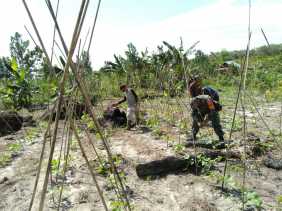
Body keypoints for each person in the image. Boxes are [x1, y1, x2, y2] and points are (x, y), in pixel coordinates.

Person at [188, 77, 224, 142]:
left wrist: (205, 121)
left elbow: (212, 112)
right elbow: (194, 113)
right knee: (195, 118)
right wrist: (199, 121)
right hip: (204, 105)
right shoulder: (193, 100)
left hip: (212, 105)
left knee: (215, 119)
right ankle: (193, 135)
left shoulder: (208, 98)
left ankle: (221, 138)